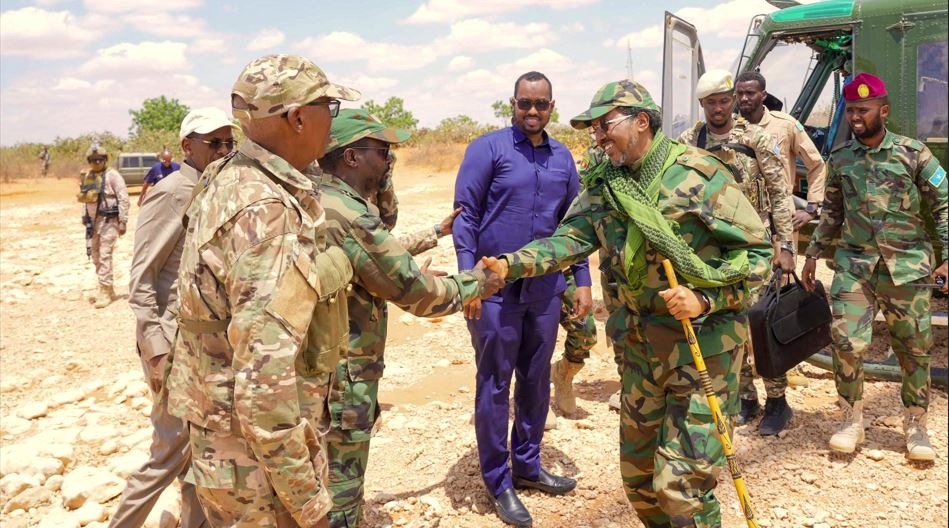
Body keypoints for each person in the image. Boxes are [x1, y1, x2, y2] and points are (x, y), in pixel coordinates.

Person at [479, 79, 773, 527]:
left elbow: (757, 253)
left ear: (641, 121)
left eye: (604, 125)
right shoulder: (605, 186)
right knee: (639, 483)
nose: (597, 137)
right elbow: (566, 243)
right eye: (592, 128)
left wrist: (705, 298)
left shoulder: (699, 175)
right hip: (639, 352)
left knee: (681, 490)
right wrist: (506, 265)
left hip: (702, 350)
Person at [165, 54, 360, 527]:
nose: (331, 122)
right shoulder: (266, 210)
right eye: (327, 109)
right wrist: (307, 500)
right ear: (297, 118)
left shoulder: (228, 176)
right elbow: (263, 382)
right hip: (255, 462)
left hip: (225, 439)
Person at [315, 109, 504, 527]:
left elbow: (377, 250)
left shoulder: (323, 198)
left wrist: (432, 234)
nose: (388, 161)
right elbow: (416, 295)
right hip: (340, 377)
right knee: (341, 491)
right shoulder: (346, 212)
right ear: (350, 157)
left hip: (321, 372)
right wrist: (479, 282)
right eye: (381, 152)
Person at [452, 71, 590, 527]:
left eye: (542, 104)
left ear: (552, 106)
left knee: (534, 381)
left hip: (545, 292)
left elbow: (575, 226)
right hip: (494, 293)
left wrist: (582, 279)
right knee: (495, 382)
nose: (533, 112)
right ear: (512, 104)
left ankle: (527, 466)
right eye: (525, 104)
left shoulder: (562, 157)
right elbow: (465, 217)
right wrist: (468, 280)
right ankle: (498, 479)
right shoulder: (487, 149)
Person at [802, 73, 948, 461]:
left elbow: (944, 203)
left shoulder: (913, 153)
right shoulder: (842, 158)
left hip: (907, 267)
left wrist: (948, 255)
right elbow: (832, 211)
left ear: (883, 110)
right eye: (851, 110)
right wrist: (814, 252)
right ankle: (851, 419)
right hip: (855, 266)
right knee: (846, 342)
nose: (855, 117)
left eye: (863, 110)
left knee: (914, 349)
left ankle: (916, 425)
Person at [113, 108, 236, 528]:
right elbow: (143, 278)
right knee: (168, 454)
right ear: (187, 146)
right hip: (172, 347)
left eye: (228, 143)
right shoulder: (172, 192)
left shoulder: (213, 189)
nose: (222, 151)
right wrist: (155, 352)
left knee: (202, 457)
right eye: (213, 143)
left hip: (204, 346)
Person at [678, 69, 797, 435]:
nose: (718, 108)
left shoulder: (756, 138)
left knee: (762, 323)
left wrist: (786, 245)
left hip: (756, 246)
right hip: (714, 249)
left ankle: (778, 401)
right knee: (731, 323)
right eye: (710, 102)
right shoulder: (689, 140)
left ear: (732, 99)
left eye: (723, 100)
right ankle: (747, 398)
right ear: (702, 105)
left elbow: (780, 194)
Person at [734, 70, 829, 432]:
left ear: (763, 94)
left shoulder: (785, 125)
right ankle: (746, 399)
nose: (744, 100)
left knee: (767, 317)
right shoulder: (734, 130)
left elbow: (817, 163)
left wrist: (813, 208)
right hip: (738, 233)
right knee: (738, 320)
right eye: (739, 93)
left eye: (750, 93)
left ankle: (777, 401)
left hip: (775, 231)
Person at [76, 143, 129, 308]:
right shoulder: (89, 175)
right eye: (93, 160)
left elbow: (123, 198)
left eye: (99, 159)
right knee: (96, 256)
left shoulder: (113, 176)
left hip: (109, 222)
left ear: (105, 159)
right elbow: (86, 199)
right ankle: (106, 287)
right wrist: (85, 216)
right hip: (93, 223)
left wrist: (123, 221)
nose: (96, 162)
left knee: (105, 255)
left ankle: (105, 291)